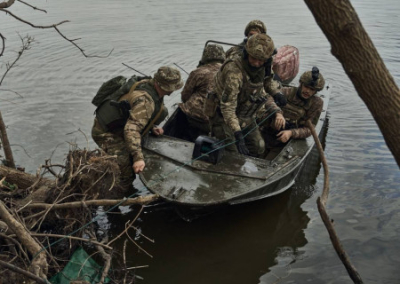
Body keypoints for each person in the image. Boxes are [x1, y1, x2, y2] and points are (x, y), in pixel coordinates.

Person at [91, 66, 183, 190]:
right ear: (167, 88)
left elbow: (134, 115)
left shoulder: (148, 84)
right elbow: (131, 130)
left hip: (119, 126)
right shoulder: (145, 101)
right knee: (126, 172)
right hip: (105, 132)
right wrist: (138, 158)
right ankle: (118, 194)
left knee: (162, 112)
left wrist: (151, 127)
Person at [210, 33, 285, 158]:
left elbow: (268, 81)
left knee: (259, 146)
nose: (256, 63)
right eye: (253, 58)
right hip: (223, 116)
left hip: (245, 113)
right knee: (232, 153)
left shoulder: (265, 65)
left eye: (261, 60)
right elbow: (227, 108)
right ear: (247, 54)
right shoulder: (234, 71)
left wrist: (276, 93)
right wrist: (238, 133)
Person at [261, 67, 325, 158]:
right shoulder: (287, 92)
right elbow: (269, 99)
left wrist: (291, 133)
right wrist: (278, 113)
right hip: (269, 132)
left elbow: (309, 129)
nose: (307, 91)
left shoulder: (316, 103)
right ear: (301, 84)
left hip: (286, 139)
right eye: (306, 87)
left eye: (312, 89)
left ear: (315, 91)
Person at [225, 20, 287, 108]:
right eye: (251, 35)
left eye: (257, 36)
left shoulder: (266, 56)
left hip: (256, 88)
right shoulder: (234, 52)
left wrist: (276, 93)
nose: (253, 38)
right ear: (247, 35)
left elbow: (267, 79)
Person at [178, 44, 226, 141]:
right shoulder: (230, 72)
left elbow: (185, 96)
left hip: (196, 117)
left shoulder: (198, 72)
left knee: (181, 110)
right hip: (220, 119)